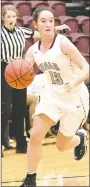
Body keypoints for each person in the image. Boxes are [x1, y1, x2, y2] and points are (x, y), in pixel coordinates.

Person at [20, 6, 89, 187]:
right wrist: (17, 77)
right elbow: (23, 75)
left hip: (74, 96)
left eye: (51, 20)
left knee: (62, 145)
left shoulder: (63, 43)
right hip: (51, 95)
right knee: (35, 135)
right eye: (44, 21)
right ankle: (30, 179)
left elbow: (86, 67)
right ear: (35, 25)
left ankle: (80, 138)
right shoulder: (33, 51)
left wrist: (74, 82)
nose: (49, 24)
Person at [1, 4, 69, 156]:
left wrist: (56, 28)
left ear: (16, 18)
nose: (11, 19)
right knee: (4, 108)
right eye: (8, 16)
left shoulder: (21, 31)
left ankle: (20, 144)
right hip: (4, 69)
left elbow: (39, 34)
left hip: (20, 70)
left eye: (13, 16)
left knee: (19, 107)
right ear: (3, 18)